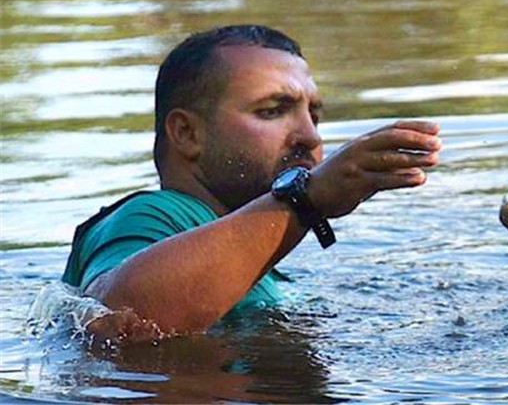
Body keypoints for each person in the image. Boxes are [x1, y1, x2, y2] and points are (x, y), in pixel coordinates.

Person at [62, 24, 441, 341]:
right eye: (273, 111)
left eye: (314, 115)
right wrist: (304, 199)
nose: (310, 137)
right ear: (188, 133)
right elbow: (114, 317)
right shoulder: (149, 216)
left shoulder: (259, 263)